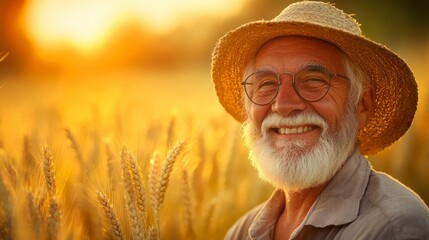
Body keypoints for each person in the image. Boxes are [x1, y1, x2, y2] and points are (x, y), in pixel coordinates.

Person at [211, 1, 429, 239]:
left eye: (314, 80)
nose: (283, 105)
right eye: (266, 84)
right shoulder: (241, 232)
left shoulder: (393, 227)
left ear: (362, 105)